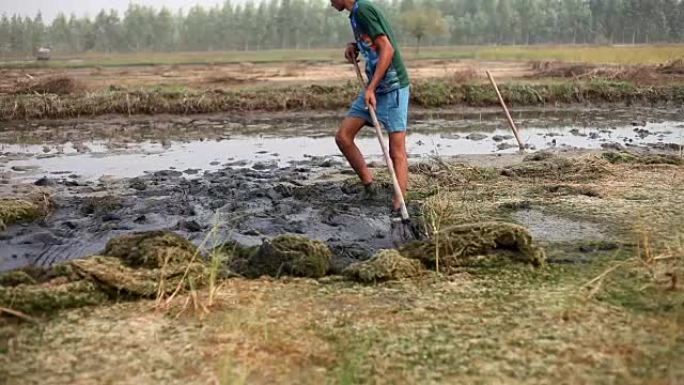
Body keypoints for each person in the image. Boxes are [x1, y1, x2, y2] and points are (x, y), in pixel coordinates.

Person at [330, 0, 410, 216]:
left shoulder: (363, 9)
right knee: (343, 137)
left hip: (392, 87)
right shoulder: (355, 14)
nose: (329, 3)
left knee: (396, 151)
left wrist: (371, 88)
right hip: (375, 86)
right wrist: (355, 46)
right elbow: (373, 42)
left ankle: (399, 206)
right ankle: (370, 186)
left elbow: (387, 48)